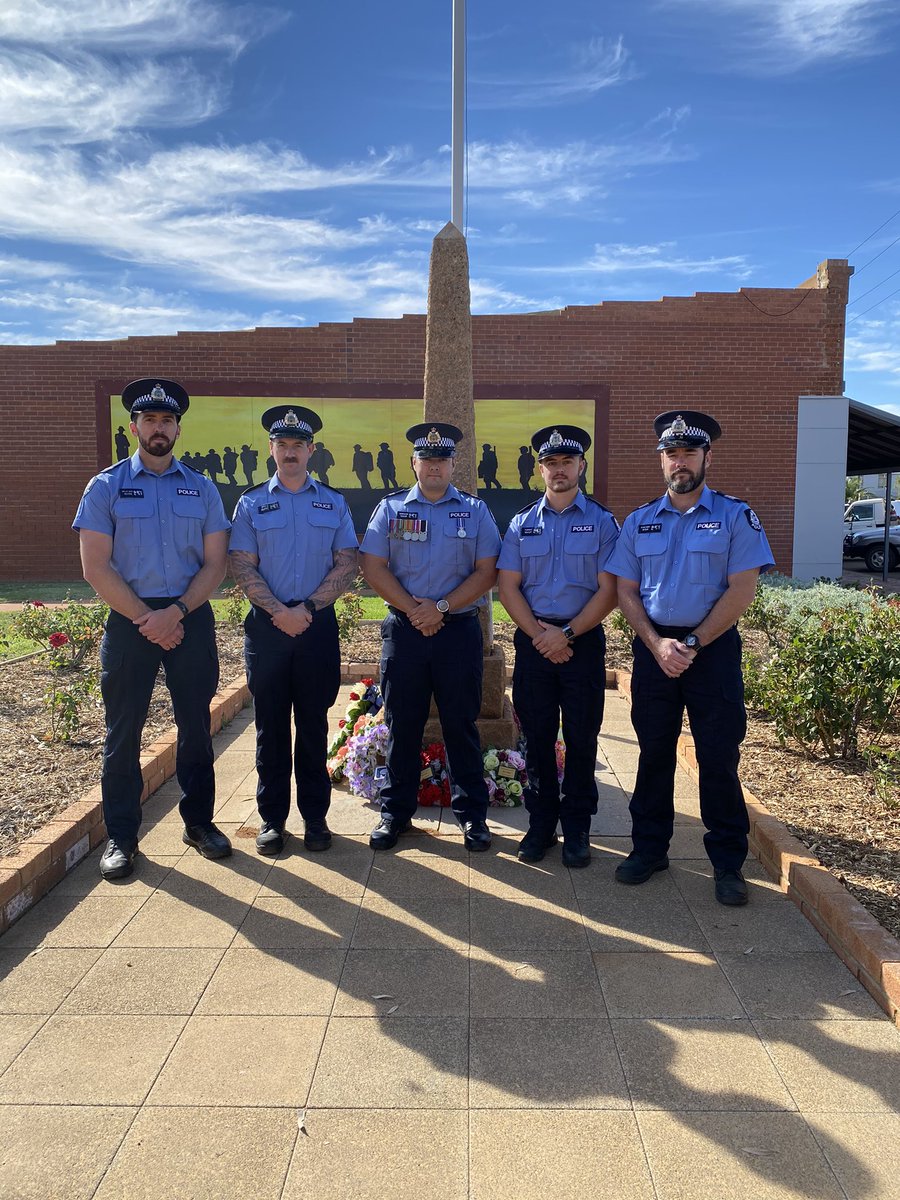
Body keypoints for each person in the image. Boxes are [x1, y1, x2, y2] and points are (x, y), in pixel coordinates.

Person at [607, 411, 774, 906]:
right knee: (653, 753)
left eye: (689, 453)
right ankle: (649, 850)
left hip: (713, 650)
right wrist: (657, 643)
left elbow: (743, 588)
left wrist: (694, 643)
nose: (680, 462)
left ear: (706, 458)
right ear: (661, 459)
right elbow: (626, 590)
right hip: (654, 649)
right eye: (671, 454)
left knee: (718, 757)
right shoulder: (639, 521)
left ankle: (727, 863)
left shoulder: (734, 515)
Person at [73, 378, 231, 879]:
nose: (158, 428)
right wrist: (148, 618)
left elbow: (215, 564)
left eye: (167, 421)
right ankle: (121, 838)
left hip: (188, 617)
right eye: (149, 420)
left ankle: (199, 824)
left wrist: (177, 612)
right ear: (134, 427)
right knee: (123, 733)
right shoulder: (106, 486)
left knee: (195, 728)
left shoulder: (202, 487)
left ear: (177, 428)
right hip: (129, 620)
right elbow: (96, 567)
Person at [360, 422, 501, 852]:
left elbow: (487, 571)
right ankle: (395, 813)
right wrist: (414, 609)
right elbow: (373, 565)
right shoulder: (390, 509)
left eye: (442, 459)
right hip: (404, 631)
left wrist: (437, 608)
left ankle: (472, 816)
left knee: (461, 724)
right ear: (414, 463)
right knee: (402, 724)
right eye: (427, 459)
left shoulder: (475, 511)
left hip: (457, 631)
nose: (434, 466)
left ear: (453, 464)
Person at [229, 406, 359, 855]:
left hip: (316, 628)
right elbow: (241, 565)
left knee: (312, 726)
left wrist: (306, 608)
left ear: (312, 451)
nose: (289, 453)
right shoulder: (249, 503)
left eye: (297, 446)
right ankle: (271, 820)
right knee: (269, 727)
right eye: (281, 445)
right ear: (271, 449)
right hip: (267, 630)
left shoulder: (334, 502)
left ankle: (316, 819)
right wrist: (279, 612)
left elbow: (347, 562)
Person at [498, 426, 619, 868]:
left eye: (567, 462)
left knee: (583, 738)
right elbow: (507, 587)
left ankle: (579, 829)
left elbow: (609, 590)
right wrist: (540, 635)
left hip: (581, 644)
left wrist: (564, 635)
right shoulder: (520, 523)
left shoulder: (604, 523)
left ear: (581, 466)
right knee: (537, 737)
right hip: (534, 644)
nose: (559, 470)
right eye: (551, 463)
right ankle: (541, 824)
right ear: (540, 469)